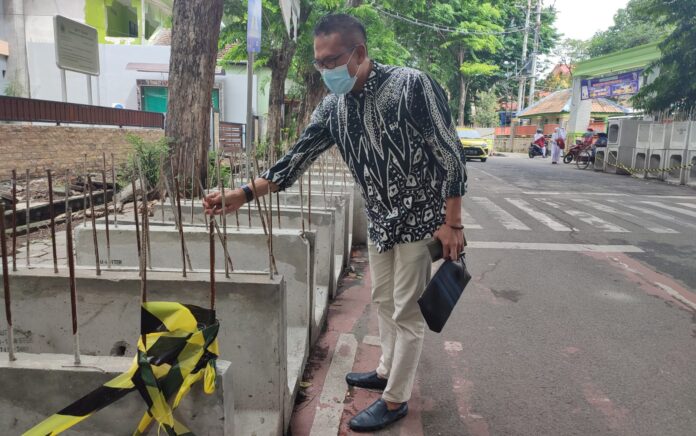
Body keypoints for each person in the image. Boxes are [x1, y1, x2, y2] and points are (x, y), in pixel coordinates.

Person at [203, 14, 467, 432]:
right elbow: (296, 159)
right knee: (382, 300)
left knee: (407, 312)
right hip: (381, 222)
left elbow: (450, 152)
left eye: (331, 61)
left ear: (358, 53)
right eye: (319, 63)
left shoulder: (411, 85)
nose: (324, 71)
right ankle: (384, 369)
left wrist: (452, 222)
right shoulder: (333, 108)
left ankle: (395, 398)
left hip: (422, 221)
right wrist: (243, 193)